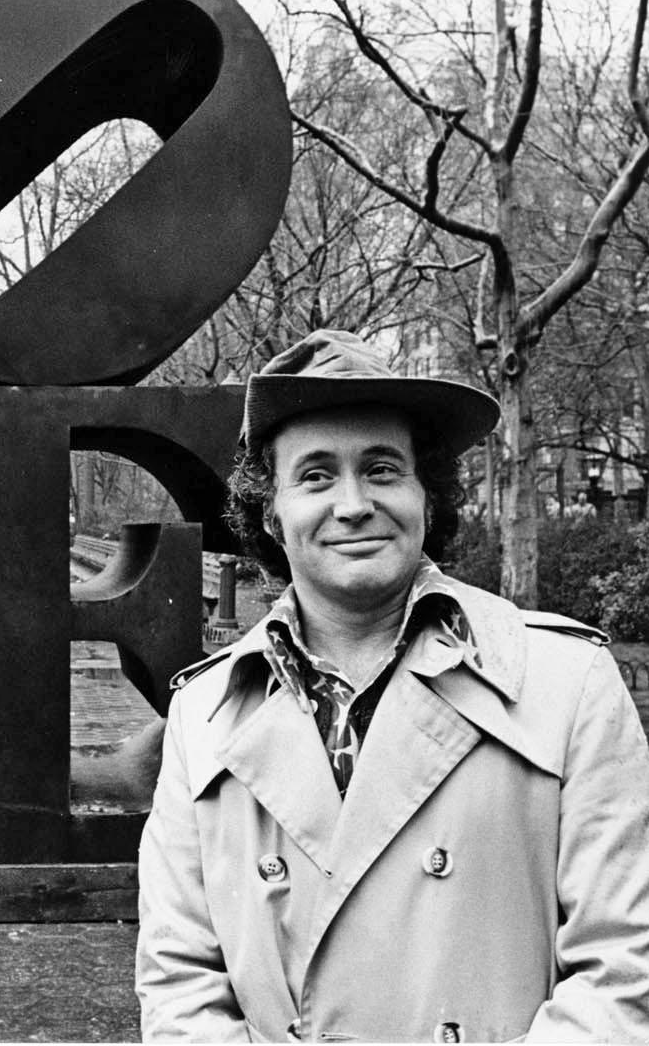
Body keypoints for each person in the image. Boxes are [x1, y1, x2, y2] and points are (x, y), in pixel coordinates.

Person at [135, 330, 649, 1042]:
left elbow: (624, 966)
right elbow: (180, 980)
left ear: (426, 498)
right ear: (271, 513)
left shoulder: (568, 682)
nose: (352, 504)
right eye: (315, 476)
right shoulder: (204, 714)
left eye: (381, 470)